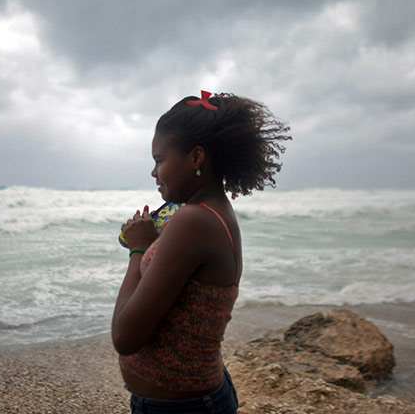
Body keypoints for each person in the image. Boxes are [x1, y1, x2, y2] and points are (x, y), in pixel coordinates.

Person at [112, 90, 290, 414]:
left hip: (181, 408)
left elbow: (125, 336)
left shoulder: (192, 221)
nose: (154, 173)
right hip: (193, 400)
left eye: (159, 160)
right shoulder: (212, 212)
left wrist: (138, 248)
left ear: (196, 158)